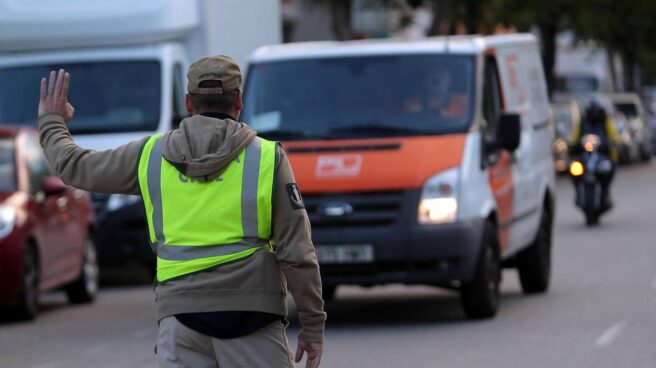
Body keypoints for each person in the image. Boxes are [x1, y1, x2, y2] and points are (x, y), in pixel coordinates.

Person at [37, 56, 325, 368]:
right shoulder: (268, 158)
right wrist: (312, 325)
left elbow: (74, 168)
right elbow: (297, 252)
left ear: (188, 102)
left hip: (181, 321)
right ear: (239, 100)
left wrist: (52, 121)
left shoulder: (150, 156)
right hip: (254, 316)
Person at [569, 99, 621, 209]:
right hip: (585, 155)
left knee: (608, 168)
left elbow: (614, 136)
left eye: (596, 111)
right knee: (573, 168)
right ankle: (578, 193)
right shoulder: (583, 122)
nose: (594, 113)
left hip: (601, 154)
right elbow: (574, 137)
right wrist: (571, 144)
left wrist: (614, 143)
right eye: (591, 111)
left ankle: (605, 193)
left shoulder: (605, 121)